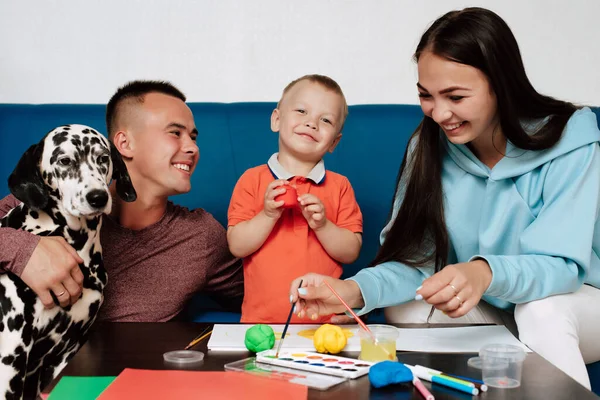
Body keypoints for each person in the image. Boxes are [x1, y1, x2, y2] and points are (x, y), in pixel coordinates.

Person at [288, 8, 600, 390]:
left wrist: (483, 273)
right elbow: (417, 261)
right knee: (408, 304)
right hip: (500, 309)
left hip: (578, 303)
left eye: (455, 96)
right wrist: (353, 292)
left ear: (500, 85)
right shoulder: (428, 146)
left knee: (541, 310)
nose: (439, 113)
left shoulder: (570, 139)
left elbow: (563, 267)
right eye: (426, 95)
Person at [0, 80, 244, 322]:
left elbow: (264, 299)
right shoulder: (46, 200)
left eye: (193, 137)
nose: (192, 148)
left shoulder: (200, 237)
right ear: (125, 144)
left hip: (127, 358)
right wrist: (23, 252)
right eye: (175, 133)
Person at [227, 74, 363, 323]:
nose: (311, 123)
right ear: (277, 119)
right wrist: (268, 215)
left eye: (325, 120)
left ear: (334, 142)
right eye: (301, 111)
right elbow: (237, 245)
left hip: (325, 322)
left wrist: (323, 225)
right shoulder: (252, 179)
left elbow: (351, 251)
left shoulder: (340, 186)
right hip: (261, 322)